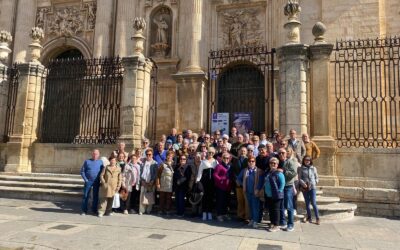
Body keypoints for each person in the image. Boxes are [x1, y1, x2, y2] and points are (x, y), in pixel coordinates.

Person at [277, 148, 298, 232]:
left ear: (286, 154)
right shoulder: (277, 162)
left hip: (287, 186)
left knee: (289, 206)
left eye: (283, 153)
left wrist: (283, 171)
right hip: (279, 187)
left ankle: (290, 224)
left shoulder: (290, 162)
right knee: (281, 206)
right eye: (279, 153)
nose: (281, 154)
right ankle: (283, 223)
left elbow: (293, 173)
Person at [196, 147, 218, 221]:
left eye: (212, 153)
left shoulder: (216, 162)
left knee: (211, 198)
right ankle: (204, 213)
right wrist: (198, 181)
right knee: (204, 198)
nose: (211, 154)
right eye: (209, 152)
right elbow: (200, 172)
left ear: (214, 154)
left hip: (212, 183)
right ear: (207, 153)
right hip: (204, 182)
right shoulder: (203, 162)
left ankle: (210, 213)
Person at [264, 157, 285, 232]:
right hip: (269, 195)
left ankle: (276, 225)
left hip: (276, 195)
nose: (272, 164)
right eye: (271, 163)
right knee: (271, 210)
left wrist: (278, 192)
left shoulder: (279, 173)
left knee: (276, 210)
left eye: (274, 163)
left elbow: (282, 184)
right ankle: (272, 223)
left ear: (277, 164)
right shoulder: (268, 172)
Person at [80, 149, 103, 215]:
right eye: (94, 153)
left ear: (99, 155)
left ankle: (94, 210)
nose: (95, 155)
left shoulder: (100, 162)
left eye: (96, 154)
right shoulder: (87, 161)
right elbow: (82, 171)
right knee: (86, 195)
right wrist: (86, 180)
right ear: (92, 154)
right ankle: (84, 210)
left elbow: (103, 172)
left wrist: (102, 180)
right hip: (88, 181)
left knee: (95, 196)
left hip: (97, 181)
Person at [298, 156, 320, 225]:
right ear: (303, 161)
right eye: (305, 160)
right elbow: (299, 178)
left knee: (313, 202)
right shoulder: (301, 168)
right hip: (305, 187)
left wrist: (315, 182)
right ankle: (309, 217)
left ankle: (317, 218)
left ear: (310, 161)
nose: (307, 161)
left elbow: (317, 177)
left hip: (312, 187)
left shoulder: (313, 168)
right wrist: (303, 183)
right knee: (307, 203)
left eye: (308, 160)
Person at [213, 153, 234, 222]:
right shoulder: (219, 166)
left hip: (228, 187)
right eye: (224, 158)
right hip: (220, 187)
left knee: (226, 201)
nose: (226, 159)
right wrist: (221, 180)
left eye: (227, 158)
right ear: (222, 158)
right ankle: (219, 215)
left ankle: (224, 214)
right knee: (220, 201)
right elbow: (215, 175)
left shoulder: (230, 166)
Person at [240, 156, 259, 228]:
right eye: (250, 161)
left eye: (253, 161)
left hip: (255, 191)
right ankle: (251, 219)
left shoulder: (258, 171)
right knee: (250, 206)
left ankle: (255, 221)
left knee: (255, 207)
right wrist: (244, 184)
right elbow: (238, 179)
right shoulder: (245, 170)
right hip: (248, 192)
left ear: (255, 162)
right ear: (247, 162)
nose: (251, 162)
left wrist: (258, 189)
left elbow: (261, 181)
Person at [232, 146, 249, 222]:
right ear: (239, 152)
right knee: (240, 200)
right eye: (241, 151)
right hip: (238, 183)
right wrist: (236, 180)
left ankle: (247, 217)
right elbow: (234, 171)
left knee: (246, 201)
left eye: (244, 151)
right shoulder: (235, 160)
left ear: (246, 152)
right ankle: (240, 215)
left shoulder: (249, 160)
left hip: (246, 183)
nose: (242, 152)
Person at [139, 149, 158, 215]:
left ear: (152, 155)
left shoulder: (155, 163)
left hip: (151, 182)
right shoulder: (143, 163)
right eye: (147, 154)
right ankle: (142, 210)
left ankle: (148, 210)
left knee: (150, 196)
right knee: (142, 196)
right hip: (144, 182)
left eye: (150, 154)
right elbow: (140, 172)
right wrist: (142, 181)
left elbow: (156, 173)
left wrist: (152, 181)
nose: (148, 156)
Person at [156, 151, 175, 215]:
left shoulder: (174, 164)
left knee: (169, 198)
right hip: (163, 183)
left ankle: (168, 210)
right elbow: (158, 175)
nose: (169, 157)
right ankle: (161, 210)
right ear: (166, 156)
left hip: (170, 183)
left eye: (171, 156)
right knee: (162, 197)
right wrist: (158, 183)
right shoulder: (162, 164)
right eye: (168, 155)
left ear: (172, 157)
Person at [189, 153, 203, 217]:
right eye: (196, 157)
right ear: (194, 158)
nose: (197, 158)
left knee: (200, 198)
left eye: (199, 157)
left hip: (200, 184)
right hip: (193, 184)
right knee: (193, 198)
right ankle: (193, 212)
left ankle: (199, 212)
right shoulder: (191, 165)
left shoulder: (202, 165)